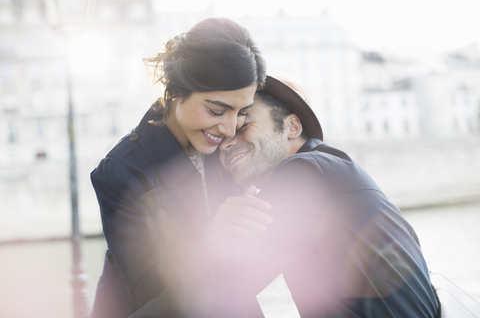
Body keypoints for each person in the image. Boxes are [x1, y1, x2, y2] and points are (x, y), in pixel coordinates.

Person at [129, 76, 440, 318]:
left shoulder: (304, 174)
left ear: (292, 126)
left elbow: (220, 289)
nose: (225, 144)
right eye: (222, 136)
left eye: (245, 122)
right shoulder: (330, 167)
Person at [89, 17, 266, 318]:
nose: (228, 127)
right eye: (216, 110)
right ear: (176, 90)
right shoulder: (121, 172)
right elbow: (153, 296)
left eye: (242, 112)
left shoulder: (226, 145)